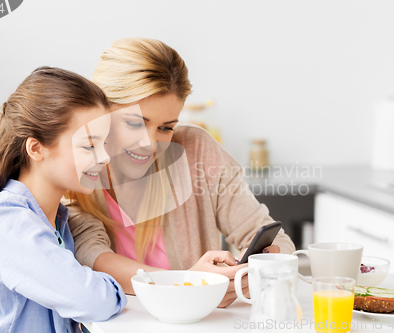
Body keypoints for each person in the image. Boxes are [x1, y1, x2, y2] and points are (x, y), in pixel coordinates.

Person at [65, 38, 296, 308]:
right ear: (100, 111)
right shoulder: (78, 167)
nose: (151, 144)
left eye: (166, 127)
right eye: (134, 123)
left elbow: (273, 237)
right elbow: (91, 257)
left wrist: (260, 266)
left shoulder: (196, 151)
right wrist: (190, 284)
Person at [0, 67, 126, 332]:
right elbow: (93, 301)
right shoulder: (7, 219)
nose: (105, 157)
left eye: (104, 144)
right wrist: (110, 285)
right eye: (89, 145)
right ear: (36, 148)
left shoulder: (58, 221)